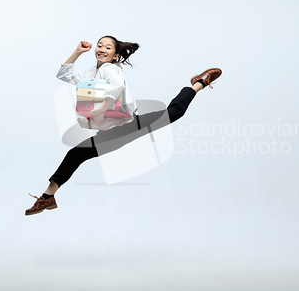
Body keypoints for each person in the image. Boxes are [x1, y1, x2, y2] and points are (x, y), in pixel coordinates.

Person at [25, 36, 222, 215]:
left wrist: (102, 109)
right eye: (100, 45)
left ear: (115, 55)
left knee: (174, 113)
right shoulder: (91, 74)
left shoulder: (110, 69)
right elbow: (63, 74)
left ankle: (198, 83)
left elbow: (117, 86)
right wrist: (77, 52)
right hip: (113, 132)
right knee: (76, 154)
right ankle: (47, 198)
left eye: (108, 47)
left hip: (127, 126)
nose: (102, 48)